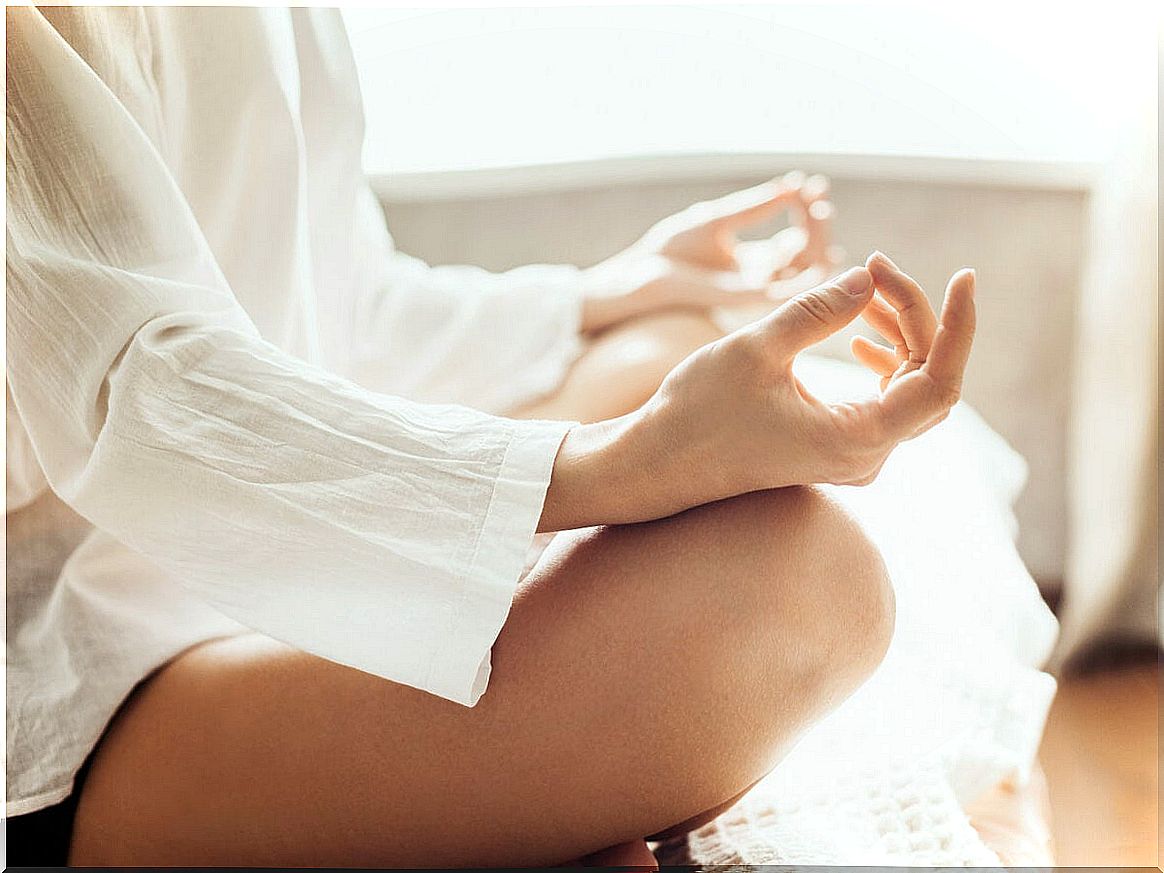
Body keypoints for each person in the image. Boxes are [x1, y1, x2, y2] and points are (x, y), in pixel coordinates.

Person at [5, 6, 976, 867]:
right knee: (798, 584)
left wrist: (607, 292)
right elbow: (134, 393)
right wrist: (617, 467)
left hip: (267, 557)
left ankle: (498, 800)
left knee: (670, 343)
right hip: (90, 678)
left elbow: (343, 309)